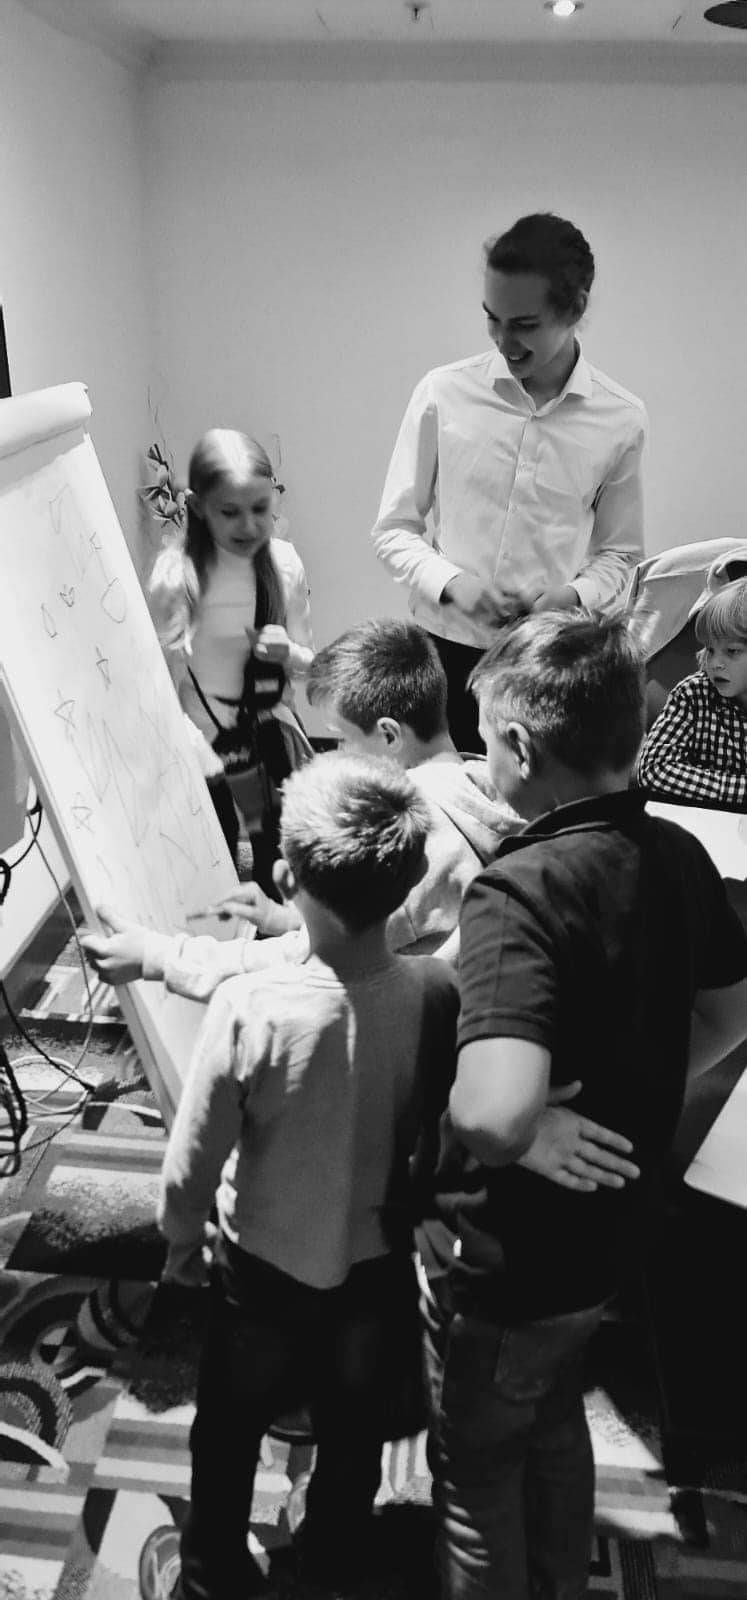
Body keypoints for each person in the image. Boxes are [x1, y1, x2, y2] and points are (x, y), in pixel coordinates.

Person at [416, 610, 747, 1600]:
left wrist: (527, 1126)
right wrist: (640, 1087)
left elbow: (492, 1115)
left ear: (520, 748)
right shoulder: (678, 852)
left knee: (475, 1469)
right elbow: (731, 1010)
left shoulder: (516, 892)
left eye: (485, 739)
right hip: (612, 1229)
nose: (481, 759)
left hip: (510, 1255)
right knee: (552, 1412)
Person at [149, 752, 460, 1600]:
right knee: (354, 1430)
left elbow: (192, 1160)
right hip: (377, 1265)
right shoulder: (435, 991)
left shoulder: (250, 1007)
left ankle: (211, 1571)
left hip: (260, 1268)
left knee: (227, 1429)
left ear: (286, 879)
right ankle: (329, 1559)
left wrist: (180, 1240)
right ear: (408, 885)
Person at [371, 212, 648, 750]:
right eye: (492, 319)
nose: (503, 340)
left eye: (523, 324)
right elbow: (393, 530)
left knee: (535, 805)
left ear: (575, 310)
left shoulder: (621, 419)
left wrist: (570, 596)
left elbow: (621, 553)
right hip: (440, 658)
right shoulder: (442, 392)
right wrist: (455, 585)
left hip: (546, 663)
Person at [148, 428, 313, 889]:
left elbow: (309, 662)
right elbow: (159, 682)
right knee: (212, 865)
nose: (248, 526)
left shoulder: (284, 564)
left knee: (275, 864)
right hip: (198, 749)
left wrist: (288, 652)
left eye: (260, 509)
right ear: (199, 507)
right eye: (230, 512)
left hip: (267, 740)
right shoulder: (173, 577)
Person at [636, 576, 747, 811]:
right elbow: (653, 769)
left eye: (732, 651)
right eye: (710, 650)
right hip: (701, 823)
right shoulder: (693, 694)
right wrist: (740, 790)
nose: (715, 663)